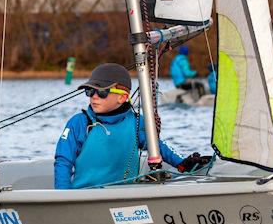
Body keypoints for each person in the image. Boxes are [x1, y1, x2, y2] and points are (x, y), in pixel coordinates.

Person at [54, 63, 210, 189]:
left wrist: (183, 164)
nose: (94, 97)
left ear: (122, 97)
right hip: (85, 198)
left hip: (125, 195)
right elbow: (63, 161)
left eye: (101, 92)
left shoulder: (137, 122)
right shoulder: (80, 123)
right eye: (89, 91)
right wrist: (63, 197)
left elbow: (157, 145)